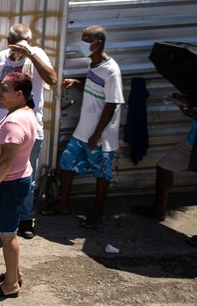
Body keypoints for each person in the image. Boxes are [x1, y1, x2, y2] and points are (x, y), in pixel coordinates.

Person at [43, 25, 123, 228]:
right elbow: (96, 88)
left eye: (86, 40)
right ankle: (63, 204)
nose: (83, 44)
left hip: (101, 136)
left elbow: (112, 104)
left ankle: (97, 214)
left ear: (98, 44)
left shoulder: (111, 71)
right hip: (83, 130)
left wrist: (97, 134)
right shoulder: (94, 65)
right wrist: (77, 83)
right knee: (66, 163)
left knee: (102, 174)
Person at [0, 24, 57, 239]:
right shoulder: (0, 57)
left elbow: (52, 80)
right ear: (9, 42)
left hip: (29, 126)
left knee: (26, 174)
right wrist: (0, 83)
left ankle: (26, 218)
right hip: (1, 125)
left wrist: (30, 56)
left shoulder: (38, 55)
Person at [0, 72, 38, 298]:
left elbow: (7, 160)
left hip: (7, 185)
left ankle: (11, 285)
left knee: (7, 234)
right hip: (13, 181)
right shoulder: (22, 112)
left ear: (19, 94)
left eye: (4, 89)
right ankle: (14, 273)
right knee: (8, 231)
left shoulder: (14, 121)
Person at [131, 93, 197, 237]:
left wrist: (186, 109)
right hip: (192, 141)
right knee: (164, 167)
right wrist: (183, 102)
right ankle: (159, 209)